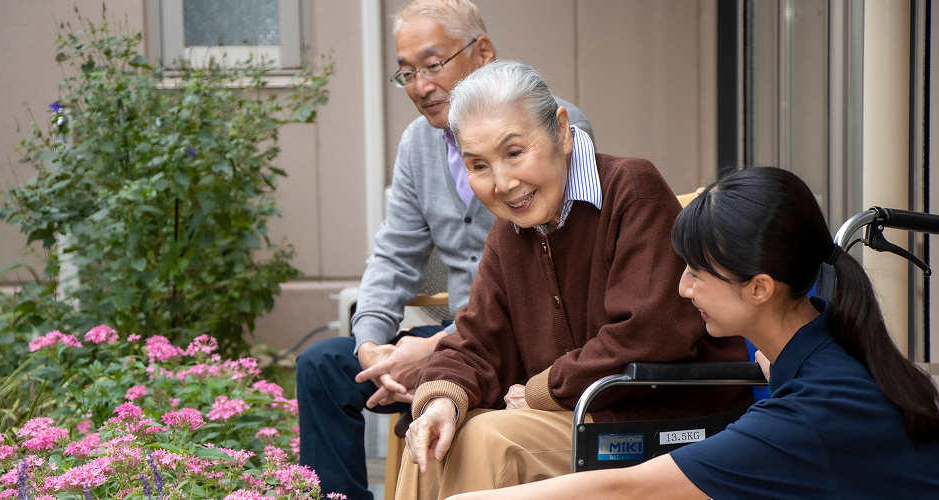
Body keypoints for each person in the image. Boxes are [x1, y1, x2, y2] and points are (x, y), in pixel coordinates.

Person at [446, 167, 939, 500]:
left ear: (760, 288)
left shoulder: (809, 412)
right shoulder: (828, 344)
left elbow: (627, 488)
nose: (681, 288)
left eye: (697, 273)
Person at [395, 60, 752, 500]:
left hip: (657, 414)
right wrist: (440, 401)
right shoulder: (509, 232)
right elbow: (477, 339)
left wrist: (547, 387)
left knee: (488, 440)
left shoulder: (631, 190)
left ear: (561, 131)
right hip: (579, 411)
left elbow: (652, 332)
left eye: (513, 152)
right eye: (478, 165)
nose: (503, 183)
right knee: (434, 440)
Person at [295, 2, 594, 498]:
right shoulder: (419, 143)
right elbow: (394, 255)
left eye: (433, 65)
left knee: (438, 362)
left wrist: (434, 349)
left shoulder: (546, 125)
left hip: (524, 344)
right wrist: (372, 345)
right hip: (457, 336)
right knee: (323, 367)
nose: (421, 85)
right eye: (407, 73)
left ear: (481, 53)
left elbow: (552, 278)